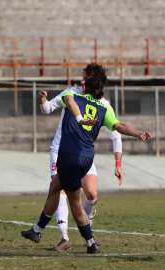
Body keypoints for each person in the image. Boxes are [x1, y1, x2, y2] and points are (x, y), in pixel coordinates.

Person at [21, 63, 151, 254]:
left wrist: (80, 118)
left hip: (69, 155)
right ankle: (37, 230)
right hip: (87, 157)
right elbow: (119, 126)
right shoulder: (103, 107)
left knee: (73, 201)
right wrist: (138, 133)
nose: (81, 81)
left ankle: (90, 243)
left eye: (84, 79)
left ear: (88, 83)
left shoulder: (72, 95)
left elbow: (71, 102)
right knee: (56, 185)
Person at [38, 66, 123, 251]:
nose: (82, 79)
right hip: (61, 150)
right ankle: (64, 237)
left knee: (91, 194)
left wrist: (118, 163)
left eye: (87, 76)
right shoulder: (70, 93)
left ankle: (87, 233)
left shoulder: (103, 104)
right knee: (60, 188)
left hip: (83, 153)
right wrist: (43, 100)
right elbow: (47, 108)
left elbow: (116, 134)